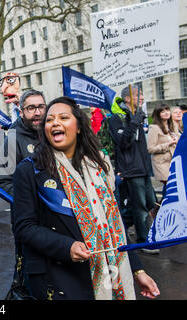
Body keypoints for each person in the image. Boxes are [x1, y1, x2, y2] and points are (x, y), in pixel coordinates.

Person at [13, 96, 160, 300]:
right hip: (59, 279)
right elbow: (24, 228)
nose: (55, 123)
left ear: (79, 127)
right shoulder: (30, 170)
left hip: (110, 275)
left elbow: (114, 223)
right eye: (50, 120)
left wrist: (137, 270)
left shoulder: (99, 167)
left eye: (63, 117)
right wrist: (67, 246)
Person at [108, 85, 158, 253]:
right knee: (141, 207)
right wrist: (134, 122)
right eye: (139, 95)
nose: (142, 98)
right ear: (128, 98)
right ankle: (144, 241)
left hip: (143, 168)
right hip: (131, 170)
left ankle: (118, 225)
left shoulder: (138, 116)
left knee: (150, 203)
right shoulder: (117, 118)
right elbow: (123, 142)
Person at [0, 89, 47, 196]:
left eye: (41, 107)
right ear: (21, 113)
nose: (37, 113)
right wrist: (29, 200)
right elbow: (4, 182)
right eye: (31, 108)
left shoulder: (51, 134)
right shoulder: (12, 140)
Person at [147, 104, 179, 194]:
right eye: (163, 111)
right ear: (158, 114)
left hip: (173, 161)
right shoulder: (154, 128)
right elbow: (150, 149)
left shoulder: (173, 126)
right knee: (169, 187)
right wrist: (168, 144)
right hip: (162, 164)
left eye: (167, 110)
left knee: (174, 188)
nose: (166, 113)